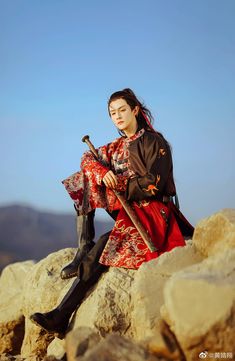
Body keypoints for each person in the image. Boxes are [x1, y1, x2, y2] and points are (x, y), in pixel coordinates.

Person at [30, 88, 194, 335]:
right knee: (82, 179)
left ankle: (61, 315)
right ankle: (83, 247)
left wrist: (119, 183)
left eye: (122, 110)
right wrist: (102, 172)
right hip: (128, 210)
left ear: (135, 110)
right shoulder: (116, 146)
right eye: (112, 113)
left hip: (152, 212)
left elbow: (155, 183)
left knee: (105, 246)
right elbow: (87, 159)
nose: (117, 116)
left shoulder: (154, 142)